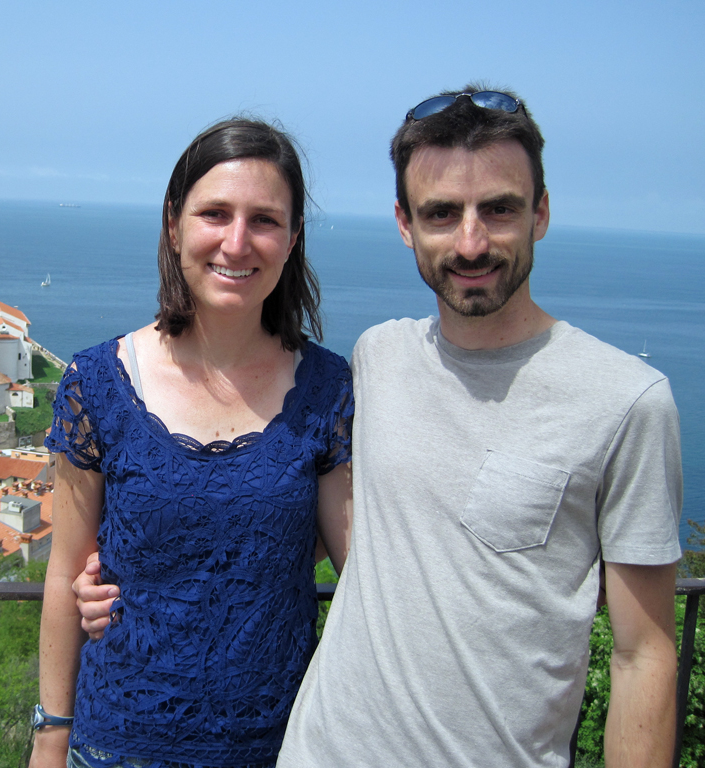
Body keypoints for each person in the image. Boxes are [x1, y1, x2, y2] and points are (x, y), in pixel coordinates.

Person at [79, 88, 683, 767]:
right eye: (442, 214)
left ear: (540, 212)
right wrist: (136, 574)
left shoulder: (626, 402)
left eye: (500, 209)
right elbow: (298, 513)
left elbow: (642, 655)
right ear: (404, 223)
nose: (472, 241)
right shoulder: (377, 360)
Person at [29, 118, 354, 768]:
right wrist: (50, 736)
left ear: (292, 240)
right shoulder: (97, 385)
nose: (237, 242)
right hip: (113, 747)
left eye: (264, 220)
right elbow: (67, 572)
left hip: (278, 750)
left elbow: (359, 574)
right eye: (215, 214)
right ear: (174, 225)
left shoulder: (327, 390)